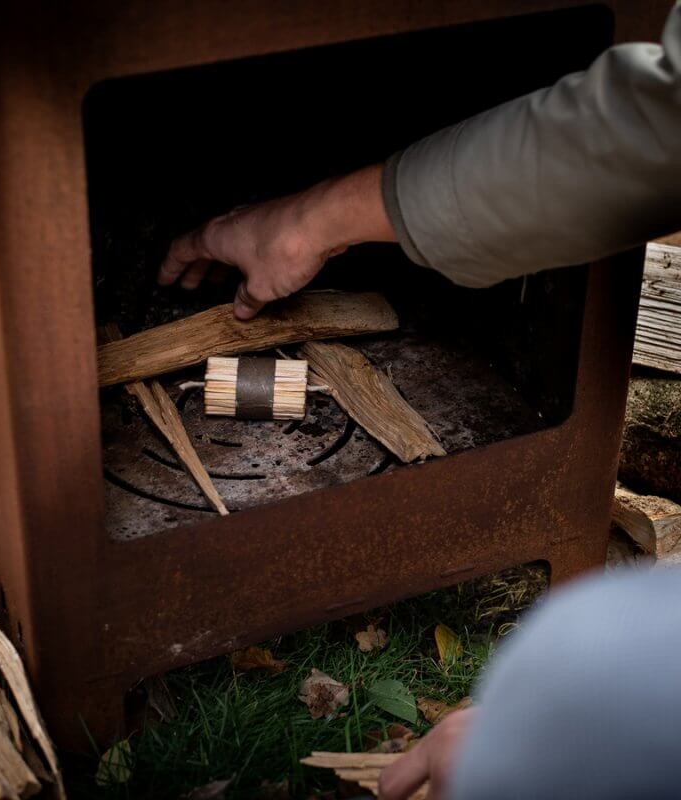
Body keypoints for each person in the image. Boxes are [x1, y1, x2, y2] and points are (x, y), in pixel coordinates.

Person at [159, 6, 681, 798]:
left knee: (585, 659)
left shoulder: (588, 657)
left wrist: (557, 720)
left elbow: (647, 128)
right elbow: (648, 128)